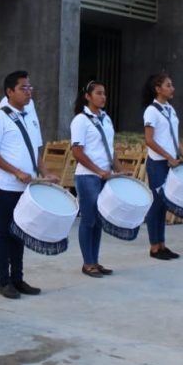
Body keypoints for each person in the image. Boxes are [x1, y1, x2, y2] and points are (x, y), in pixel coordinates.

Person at [0, 71, 59, 299]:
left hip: (26, 188)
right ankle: (4, 281)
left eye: (30, 87)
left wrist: (45, 173)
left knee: (20, 232)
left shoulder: (30, 116)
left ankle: (17, 278)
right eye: (23, 88)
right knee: (4, 232)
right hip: (5, 186)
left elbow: (34, 150)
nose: (28, 92)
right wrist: (15, 171)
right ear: (9, 92)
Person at [70, 81, 123, 278]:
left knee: (99, 220)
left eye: (104, 93)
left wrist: (119, 169)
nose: (103, 97)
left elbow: (110, 149)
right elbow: (77, 152)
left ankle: (95, 260)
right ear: (88, 96)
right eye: (99, 93)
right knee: (89, 219)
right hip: (88, 176)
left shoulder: (106, 118)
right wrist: (99, 171)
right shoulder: (80, 120)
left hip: (105, 175)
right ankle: (88, 263)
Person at [141, 73, 183, 261]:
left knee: (164, 204)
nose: (172, 88)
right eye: (168, 85)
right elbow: (149, 140)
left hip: (171, 162)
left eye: (172, 85)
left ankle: (162, 244)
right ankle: (154, 246)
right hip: (158, 163)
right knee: (157, 203)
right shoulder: (151, 111)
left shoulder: (170, 109)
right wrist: (168, 156)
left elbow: (174, 138)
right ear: (158, 89)